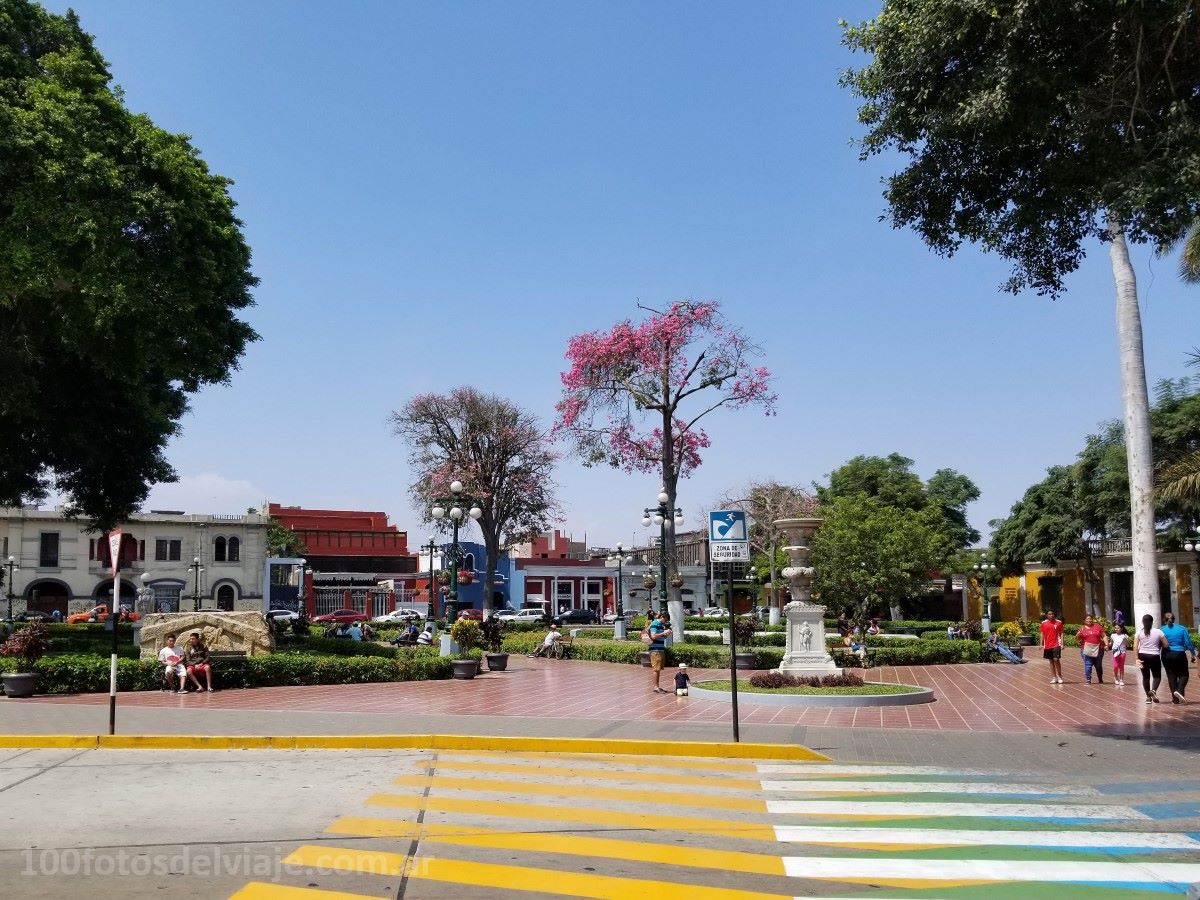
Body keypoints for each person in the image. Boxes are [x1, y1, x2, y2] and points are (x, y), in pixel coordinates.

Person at [1160, 611, 1197, 703]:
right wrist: (1193, 654)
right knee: (1184, 675)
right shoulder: (1182, 628)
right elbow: (1188, 643)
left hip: (1166, 654)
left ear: (1164, 620)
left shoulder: (1161, 630)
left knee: (1171, 676)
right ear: (1174, 619)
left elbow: (1158, 643)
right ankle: (1179, 691)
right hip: (1179, 654)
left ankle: (1175, 699)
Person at [1134, 613, 1168, 704]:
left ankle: (1148, 698)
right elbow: (1166, 644)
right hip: (1154, 656)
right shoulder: (1158, 632)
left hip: (1142, 655)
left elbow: (1135, 646)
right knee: (1157, 676)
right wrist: (1159, 645)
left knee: (1145, 677)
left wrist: (1136, 658)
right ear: (1152, 622)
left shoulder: (1139, 632)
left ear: (1142, 622)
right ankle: (1153, 690)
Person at [1076, 614, 1110, 685]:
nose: (1089, 620)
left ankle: (1100, 679)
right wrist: (1077, 635)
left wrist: (1106, 645)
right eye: (1087, 619)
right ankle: (1088, 680)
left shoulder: (1098, 626)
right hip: (1086, 649)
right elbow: (1077, 639)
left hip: (1098, 649)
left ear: (1092, 619)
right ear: (1084, 620)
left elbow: (1104, 636)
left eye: (1090, 619)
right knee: (1088, 664)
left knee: (1098, 665)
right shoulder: (1082, 628)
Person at [648, 611, 671, 693]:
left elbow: (661, 638)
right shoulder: (655, 623)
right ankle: (655, 687)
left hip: (660, 649)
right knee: (656, 669)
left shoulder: (660, 625)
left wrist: (666, 634)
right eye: (665, 620)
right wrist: (663, 633)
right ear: (661, 617)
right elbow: (653, 636)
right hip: (655, 650)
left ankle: (657, 686)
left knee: (658, 669)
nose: (665, 622)